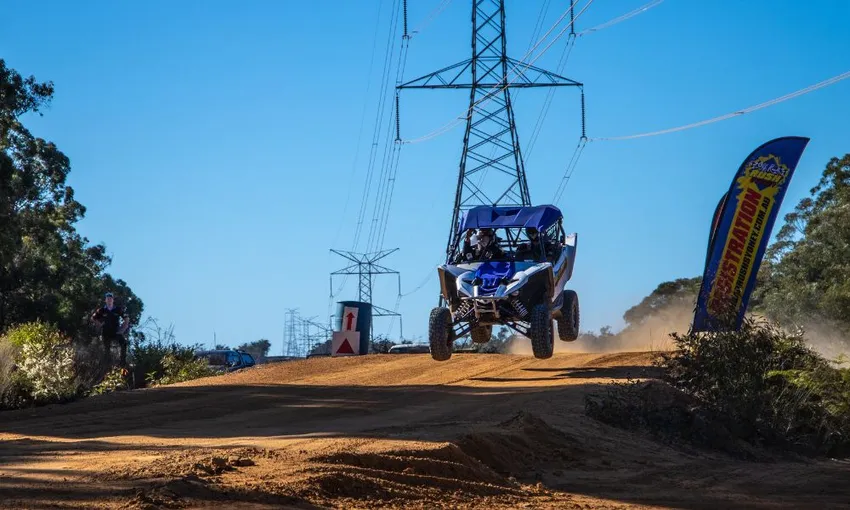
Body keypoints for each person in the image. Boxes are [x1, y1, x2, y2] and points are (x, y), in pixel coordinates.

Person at [90, 292, 130, 367]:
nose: (109, 300)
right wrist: (99, 324)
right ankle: (106, 364)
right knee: (106, 349)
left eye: (110, 298)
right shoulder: (101, 310)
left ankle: (122, 363)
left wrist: (122, 329)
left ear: (113, 300)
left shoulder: (118, 309)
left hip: (116, 332)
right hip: (106, 332)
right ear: (105, 300)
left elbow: (126, 318)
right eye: (107, 299)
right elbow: (93, 318)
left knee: (124, 343)